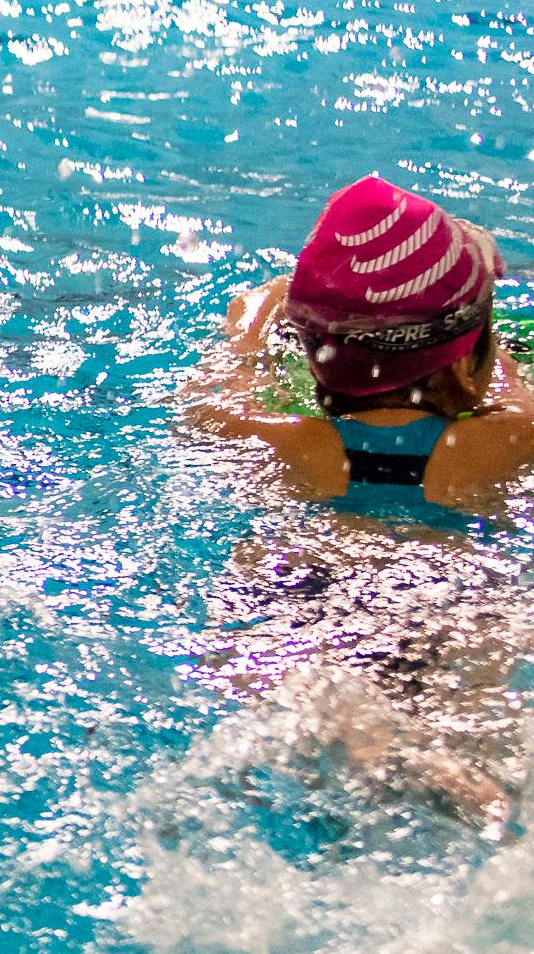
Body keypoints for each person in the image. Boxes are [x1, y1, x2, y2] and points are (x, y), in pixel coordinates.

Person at [182, 174, 534, 823]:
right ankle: (439, 765)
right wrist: (485, 329)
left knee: (289, 695)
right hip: (448, 592)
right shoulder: (506, 443)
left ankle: (364, 741)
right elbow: (502, 384)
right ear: (463, 359)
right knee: (473, 718)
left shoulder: (271, 443)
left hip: (302, 584)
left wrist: (255, 318)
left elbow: (210, 394)